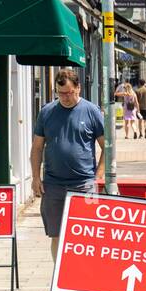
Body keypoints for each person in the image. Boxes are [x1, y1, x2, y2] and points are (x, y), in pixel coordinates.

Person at [30, 70, 105, 266]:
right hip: (53, 184)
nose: (65, 97)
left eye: (69, 92)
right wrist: (36, 178)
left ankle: (83, 276)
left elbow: (108, 147)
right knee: (57, 234)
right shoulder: (47, 112)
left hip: (84, 183)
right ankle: (60, 281)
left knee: (85, 235)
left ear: (78, 88)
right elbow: (37, 148)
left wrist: (97, 177)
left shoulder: (91, 111)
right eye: (60, 93)